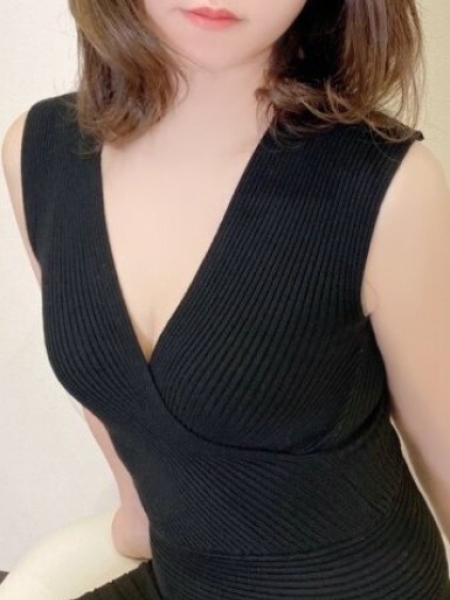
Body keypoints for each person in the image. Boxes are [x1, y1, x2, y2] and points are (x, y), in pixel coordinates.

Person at [2, 0, 450, 598]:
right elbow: (108, 388)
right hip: (184, 574)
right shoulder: (39, 151)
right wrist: (136, 510)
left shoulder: (388, 186)